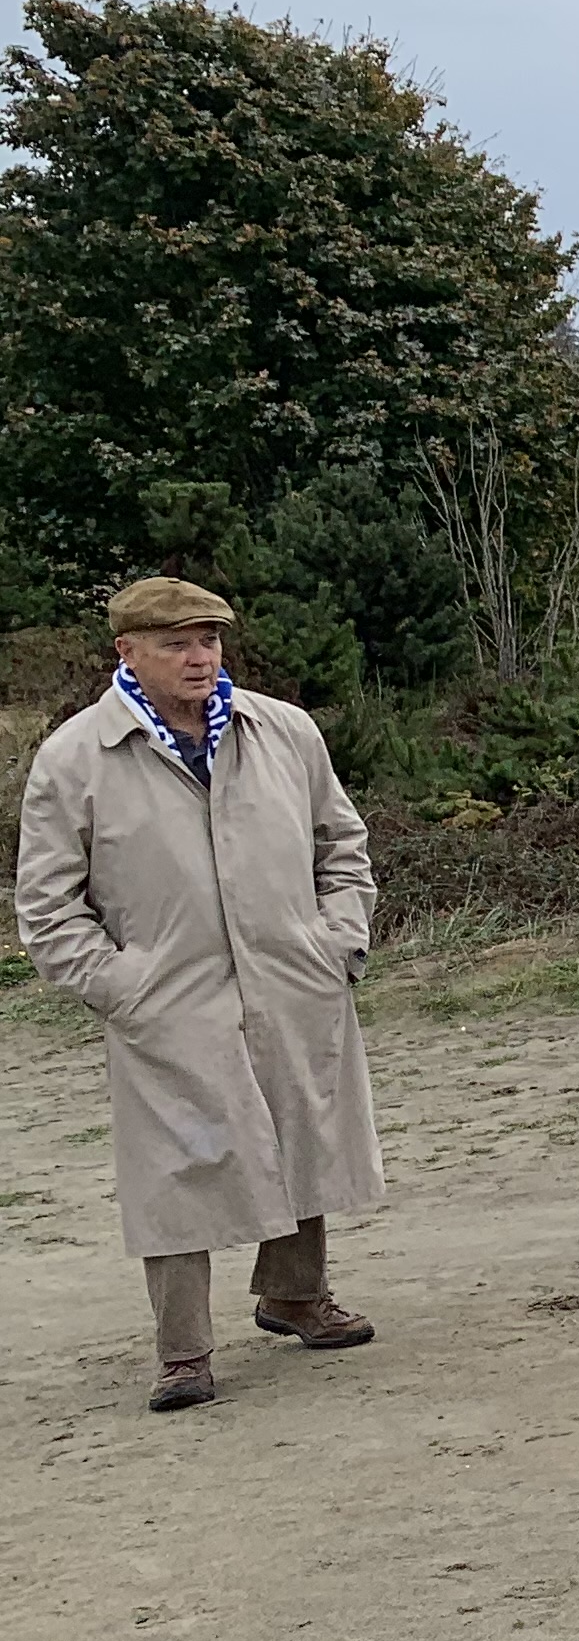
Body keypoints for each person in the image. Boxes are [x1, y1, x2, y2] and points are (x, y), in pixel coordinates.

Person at [13, 576, 386, 1411]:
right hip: (167, 999)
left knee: (301, 1130)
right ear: (128, 652)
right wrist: (121, 987)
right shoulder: (76, 757)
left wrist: (338, 942)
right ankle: (183, 1350)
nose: (199, 657)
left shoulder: (282, 730)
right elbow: (46, 905)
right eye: (178, 642)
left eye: (210, 640)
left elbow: (343, 843)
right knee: (177, 1168)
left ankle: (295, 1295)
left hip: (292, 975)